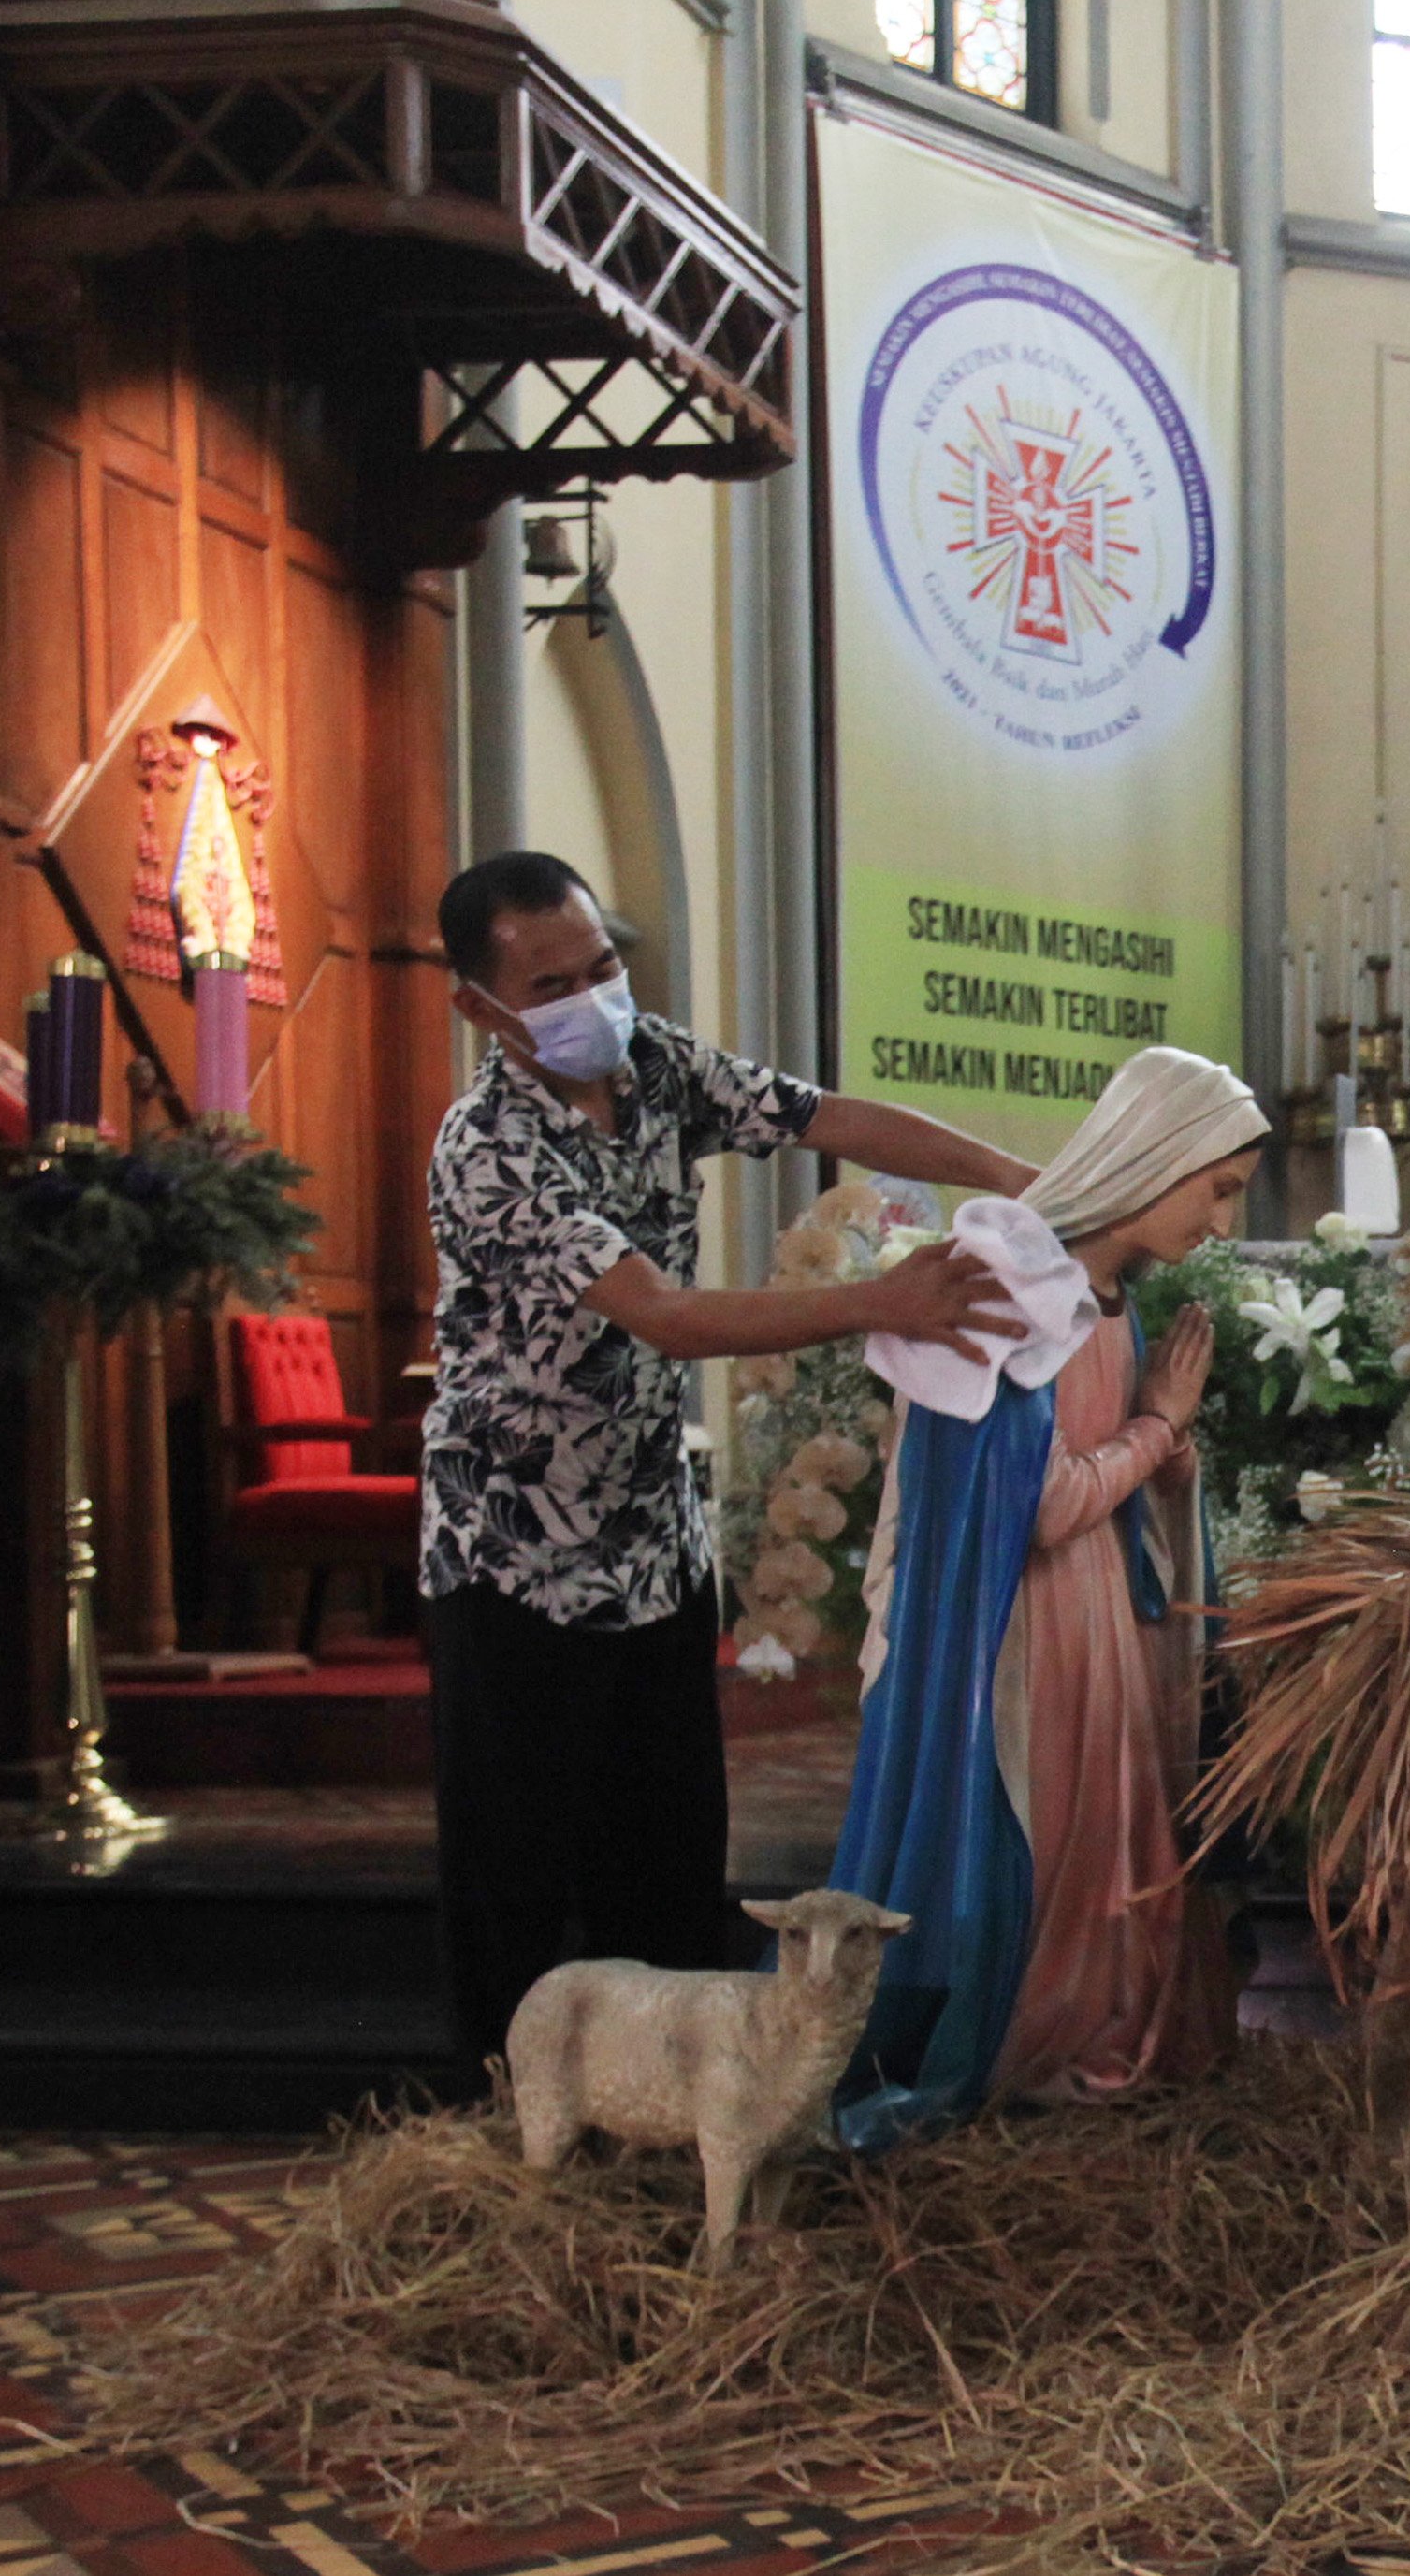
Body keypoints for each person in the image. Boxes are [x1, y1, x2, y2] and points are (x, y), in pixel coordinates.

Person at [423, 851, 1033, 2081]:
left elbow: (826, 1117)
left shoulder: (651, 1063)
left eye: (604, 964)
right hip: (515, 1555)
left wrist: (1022, 1178)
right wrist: (887, 1299)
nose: (594, 997)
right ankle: (513, 2127)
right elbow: (669, 1316)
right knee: (519, 1870)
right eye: (553, 983)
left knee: (668, 1851)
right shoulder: (486, 1147)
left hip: (649, 1541)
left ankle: (668, 2109)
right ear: (479, 1006)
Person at [832, 1049, 1270, 2142]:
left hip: (1099, 1619)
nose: (1221, 1222)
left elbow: (1103, 1475)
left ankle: (1102, 2027)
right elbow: (1032, 1509)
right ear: (1154, 1158)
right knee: (1053, 1841)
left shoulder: (1109, 1299)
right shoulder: (1014, 1288)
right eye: (1216, 1188)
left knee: (1111, 1832)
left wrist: (1167, 1465)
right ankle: (1038, 2031)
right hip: (1018, 1639)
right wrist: (1159, 1426)